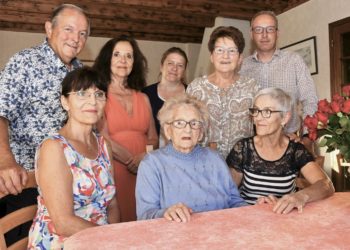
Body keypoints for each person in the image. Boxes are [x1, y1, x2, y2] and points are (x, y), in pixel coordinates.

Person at [0, 3, 89, 244]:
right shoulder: (24, 63)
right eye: (69, 29)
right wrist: (5, 161)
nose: (76, 38)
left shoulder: (80, 71)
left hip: (70, 184)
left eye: (83, 33)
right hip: (25, 182)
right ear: (49, 28)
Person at [27, 66, 119, 249]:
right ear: (65, 102)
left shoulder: (103, 145)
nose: (93, 101)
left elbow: (113, 203)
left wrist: (115, 236)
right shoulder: (54, 148)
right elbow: (63, 223)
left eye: (99, 94)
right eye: (82, 93)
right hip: (61, 242)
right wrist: (110, 239)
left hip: (100, 239)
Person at [136, 94, 246, 222]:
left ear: (200, 133)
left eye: (194, 123)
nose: (188, 129)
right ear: (167, 130)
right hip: (175, 236)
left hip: (219, 231)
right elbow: (145, 215)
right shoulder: (152, 164)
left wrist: (258, 209)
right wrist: (166, 213)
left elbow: (234, 202)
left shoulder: (215, 158)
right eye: (179, 123)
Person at [226, 88, 334, 214]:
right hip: (248, 217)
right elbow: (227, 193)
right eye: (256, 111)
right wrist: (253, 206)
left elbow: (326, 184)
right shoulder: (243, 148)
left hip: (283, 218)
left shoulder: (295, 150)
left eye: (267, 111)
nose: (258, 118)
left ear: (285, 118)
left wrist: (299, 196)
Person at [93, 35, 158, 222]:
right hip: (115, 169)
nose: (123, 60)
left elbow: (153, 138)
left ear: (134, 63)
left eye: (129, 56)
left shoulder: (143, 97)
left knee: (143, 220)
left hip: (145, 171)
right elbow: (103, 138)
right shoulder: (98, 95)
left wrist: (144, 158)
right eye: (117, 55)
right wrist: (132, 161)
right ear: (108, 60)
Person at [240, 10, 318, 138]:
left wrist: (305, 135)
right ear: (251, 34)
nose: (264, 35)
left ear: (277, 33)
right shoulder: (242, 67)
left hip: (290, 141)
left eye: (270, 29)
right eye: (259, 30)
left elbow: (310, 100)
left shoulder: (294, 61)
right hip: (253, 145)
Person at [187, 26, 259, 159]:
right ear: (212, 56)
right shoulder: (195, 88)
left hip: (243, 166)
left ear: (240, 58)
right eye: (220, 50)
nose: (225, 56)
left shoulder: (252, 87)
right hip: (202, 165)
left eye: (232, 51)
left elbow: (265, 123)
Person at [142, 47, 188, 138]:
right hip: (153, 150)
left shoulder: (191, 93)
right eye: (170, 63)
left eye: (180, 65)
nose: (174, 68)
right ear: (161, 66)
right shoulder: (145, 93)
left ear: (184, 71)